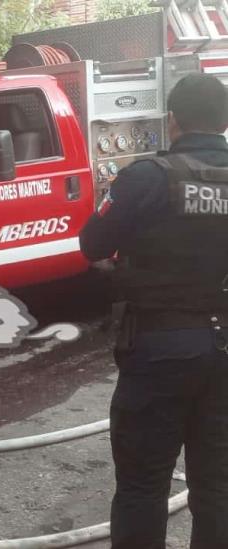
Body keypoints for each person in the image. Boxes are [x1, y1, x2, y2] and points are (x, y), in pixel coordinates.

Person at [79, 73, 228, 549]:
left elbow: (92, 243)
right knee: (220, 488)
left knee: (143, 487)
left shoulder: (146, 177)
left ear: (172, 121)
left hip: (159, 348)